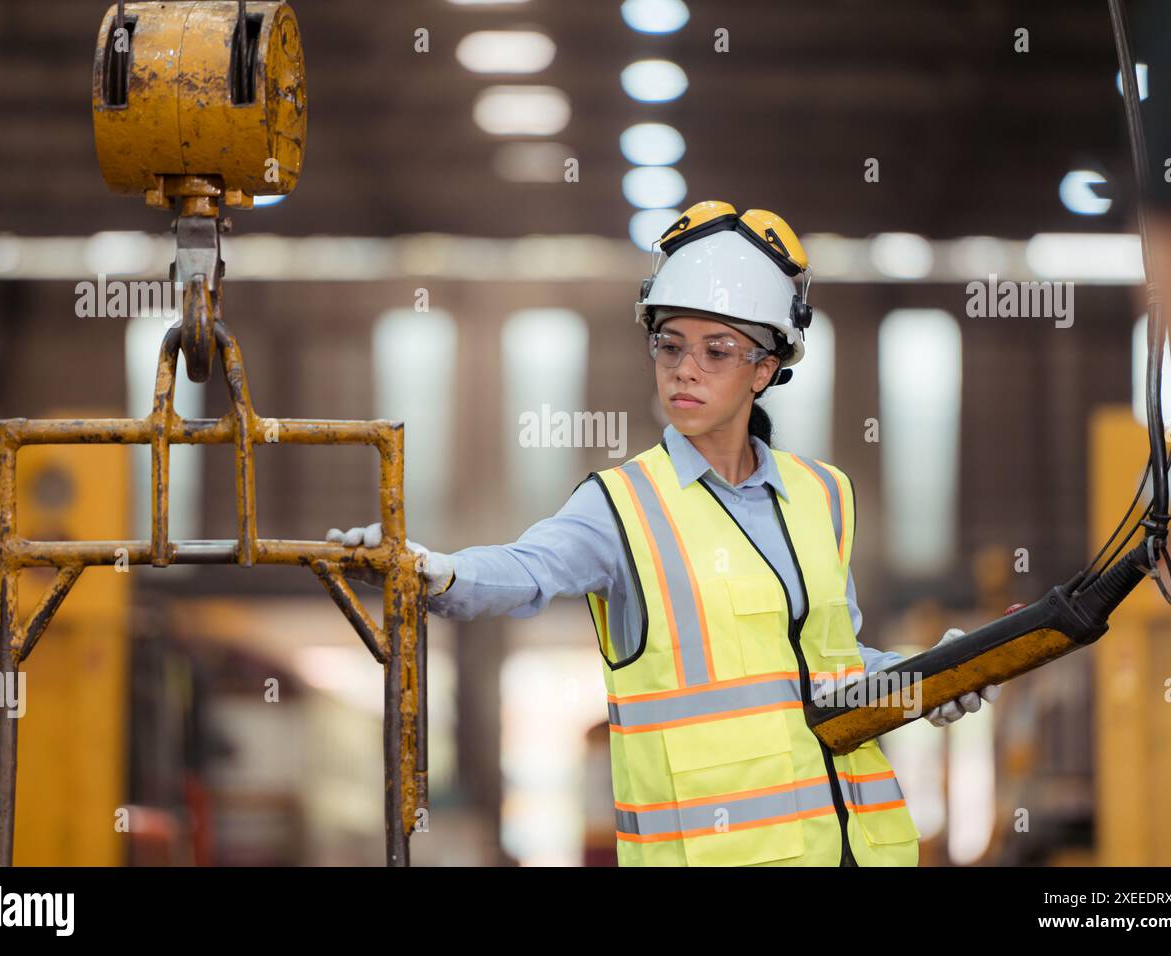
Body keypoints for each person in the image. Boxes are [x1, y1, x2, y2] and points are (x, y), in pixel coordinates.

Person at [327, 200, 998, 867]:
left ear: (766, 368)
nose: (685, 368)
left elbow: (835, 670)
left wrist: (925, 681)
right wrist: (433, 570)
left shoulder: (824, 494)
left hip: (862, 851)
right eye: (670, 345)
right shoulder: (622, 506)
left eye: (718, 351)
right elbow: (527, 569)